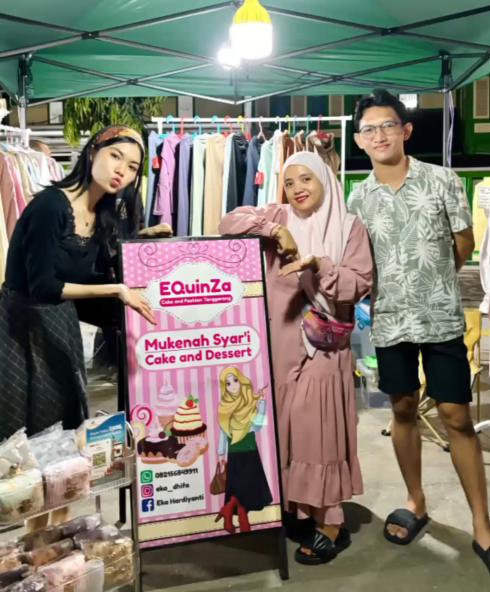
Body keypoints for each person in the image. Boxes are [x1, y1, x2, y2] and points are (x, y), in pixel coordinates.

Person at [348, 89, 490, 573]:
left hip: (441, 316)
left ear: (405, 130)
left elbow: (463, 241)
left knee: (455, 416)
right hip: (389, 321)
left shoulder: (442, 180)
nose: (379, 135)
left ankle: (482, 523)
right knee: (403, 408)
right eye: (369, 129)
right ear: (359, 140)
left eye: (388, 125)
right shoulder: (358, 198)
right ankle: (416, 500)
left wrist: (434, 281)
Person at [219, 151, 373, 565]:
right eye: (289, 182)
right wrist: (275, 230)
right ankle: (297, 511)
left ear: (324, 179)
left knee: (319, 437)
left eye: (306, 178)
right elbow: (227, 222)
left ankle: (331, 525)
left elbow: (358, 284)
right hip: (279, 349)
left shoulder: (348, 226)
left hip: (323, 349)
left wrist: (318, 264)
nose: (297, 188)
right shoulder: (278, 215)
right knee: (286, 435)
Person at [0, 124, 167, 444]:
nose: (122, 170)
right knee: (27, 426)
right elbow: (42, 286)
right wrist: (116, 291)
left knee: (65, 415)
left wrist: (143, 240)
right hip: (21, 327)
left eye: (132, 166)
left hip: (61, 320)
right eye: (115, 156)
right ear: (92, 153)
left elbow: (94, 269)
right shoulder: (50, 206)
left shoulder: (102, 211)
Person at [215, 367, 272, 534]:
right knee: (238, 485)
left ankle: (232, 510)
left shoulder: (248, 403)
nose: (233, 385)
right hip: (234, 451)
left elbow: (258, 426)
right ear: (224, 386)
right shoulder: (224, 406)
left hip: (250, 449)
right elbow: (223, 431)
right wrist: (221, 452)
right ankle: (239, 513)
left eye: (235, 380)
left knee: (248, 484)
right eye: (228, 383)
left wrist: (262, 404)